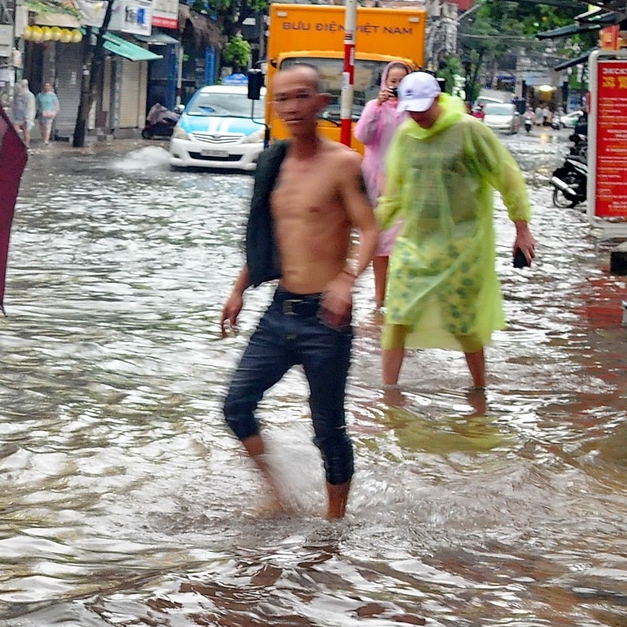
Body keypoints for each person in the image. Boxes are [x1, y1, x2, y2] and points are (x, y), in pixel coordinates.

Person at [218, 64, 382, 519]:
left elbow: (369, 229)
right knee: (236, 405)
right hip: (278, 312)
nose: (291, 107)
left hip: (325, 320)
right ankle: (278, 495)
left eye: (300, 97)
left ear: (320, 103)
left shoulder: (343, 164)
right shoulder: (273, 163)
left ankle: (335, 523)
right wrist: (238, 291)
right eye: (282, 99)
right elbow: (267, 241)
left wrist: (347, 281)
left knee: (328, 428)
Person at [376, 70, 536, 391]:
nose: (418, 115)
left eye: (424, 107)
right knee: (396, 317)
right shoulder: (406, 138)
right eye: (412, 109)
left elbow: (508, 179)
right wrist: (366, 231)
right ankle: (388, 397)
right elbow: (393, 194)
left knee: (462, 322)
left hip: (461, 246)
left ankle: (480, 391)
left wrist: (522, 228)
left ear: (438, 99)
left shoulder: (469, 131)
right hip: (414, 244)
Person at [353, 59, 413, 316]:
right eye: (392, 82)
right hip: (377, 182)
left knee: (405, 243)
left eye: (402, 82)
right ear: (384, 83)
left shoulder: (414, 111)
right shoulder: (374, 108)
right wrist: (376, 106)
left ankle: (403, 298)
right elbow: (362, 136)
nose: (396, 87)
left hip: (407, 184)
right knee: (380, 243)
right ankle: (380, 300)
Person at [10, 80, 37, 145]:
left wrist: (28, 117)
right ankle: (15, 144)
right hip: (17, 115)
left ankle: (27, 144)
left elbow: (30, 106)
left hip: (25, 116)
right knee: (15, 131)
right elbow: (14, 105)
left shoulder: (29, 95)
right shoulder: (17, 95)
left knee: (26, 131)